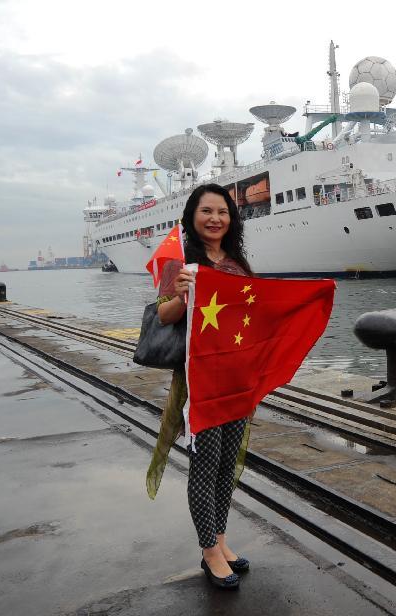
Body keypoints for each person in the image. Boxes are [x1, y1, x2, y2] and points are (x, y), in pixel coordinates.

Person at [152, 183, 255, 590]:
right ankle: (209, 550)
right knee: (205, 465)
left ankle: (223, 540)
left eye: (223, 212)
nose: (215, 219)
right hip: (200, 382)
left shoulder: (237, 262)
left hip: (237, 378)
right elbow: (163, 317)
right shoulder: (182, 262)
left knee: (227, 464)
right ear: (192, 216)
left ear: (231, 219)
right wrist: (178, 296)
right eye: (207, 211)